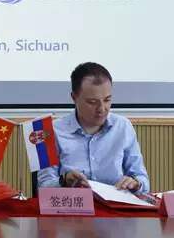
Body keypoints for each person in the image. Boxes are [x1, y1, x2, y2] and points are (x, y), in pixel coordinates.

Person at [37, 62, 150, 193]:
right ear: (74, 98)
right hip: (72, 204)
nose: (102, 109)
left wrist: (136, 184)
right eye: (92, 102)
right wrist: (63, 181)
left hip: (114, 204)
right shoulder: (49, 131)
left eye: (107, 100)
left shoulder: (123, 126)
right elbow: (42, 188)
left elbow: (143, 180)